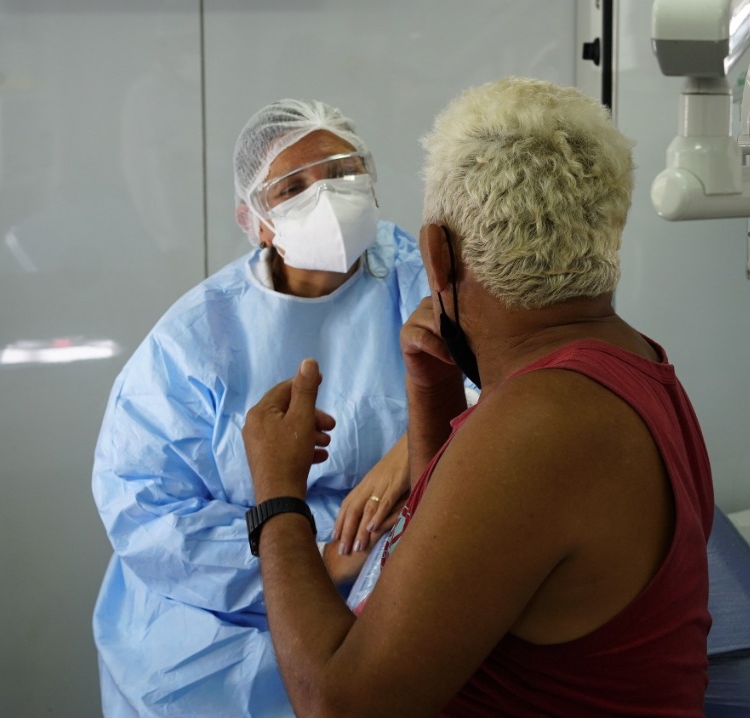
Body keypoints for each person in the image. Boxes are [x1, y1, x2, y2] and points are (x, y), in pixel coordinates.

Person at [242, 76, 717, 717]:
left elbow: (339, 705)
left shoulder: (537, 428)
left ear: (435, 255)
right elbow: (449, 543)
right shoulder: (628, 362)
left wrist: (277, 496)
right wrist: (431, 394)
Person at [91, 99, 425, 717]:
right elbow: (143, 506)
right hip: (208, 638)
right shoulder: (196, 339)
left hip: (392, 606)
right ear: (258, 221)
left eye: (340, 171)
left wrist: (415, 449)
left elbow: (500, 387)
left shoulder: (421, 280)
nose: (324, 196)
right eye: (293, 187)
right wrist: (318, 560)